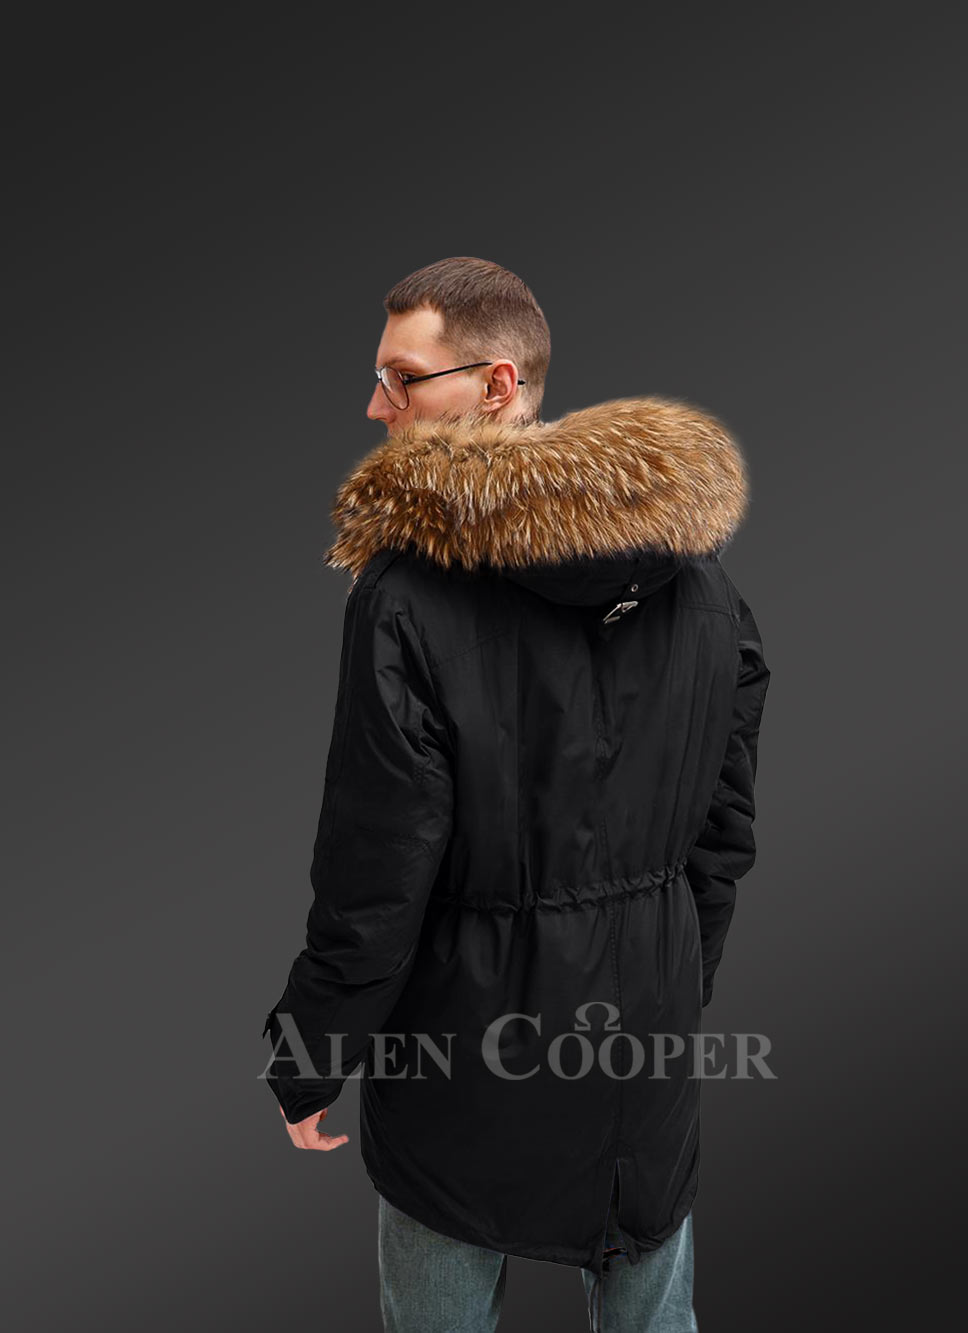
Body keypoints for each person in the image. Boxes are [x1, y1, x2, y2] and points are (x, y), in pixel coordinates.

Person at [261, 256, 771, 1331]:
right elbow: (724, 835)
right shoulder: (704, 583)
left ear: (497, 385)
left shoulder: (409, 596)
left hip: (460, 1056)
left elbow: (376, 866)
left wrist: (312, 1055)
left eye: (402, 378)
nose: (376, 407)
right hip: (645, 1048)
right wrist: (673, 988)